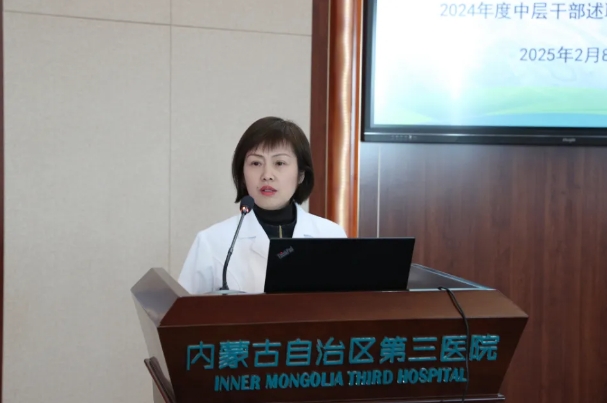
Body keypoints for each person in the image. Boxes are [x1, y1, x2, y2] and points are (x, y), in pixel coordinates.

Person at [178, 116, 347, 294]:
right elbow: (182, 309)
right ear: (242, 174)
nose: (267, 175)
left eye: (279, 163)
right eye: (256, 163)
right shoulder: (212, 241)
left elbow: (347, 306)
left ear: (301, 175)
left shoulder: (331, 235)